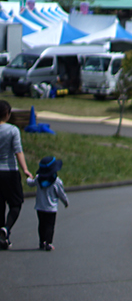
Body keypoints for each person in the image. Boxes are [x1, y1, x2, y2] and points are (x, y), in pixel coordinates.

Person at [0, 100, 34, 250]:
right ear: (7, 114)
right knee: (16, 203)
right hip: (10, 172)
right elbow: (18, 150)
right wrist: (25, 169)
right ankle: (6, 228)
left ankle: (2, 237)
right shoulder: (13, 130)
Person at [29, 155, 68, 251]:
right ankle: (49, 242)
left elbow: (31, 183)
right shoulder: (57, 181)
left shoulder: (38, 179)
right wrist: (66, 202)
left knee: (41, 224)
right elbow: (61, 194)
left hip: (40, 207)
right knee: (50, 226)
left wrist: (28, 178)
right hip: (51, 208)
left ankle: (42, 241)